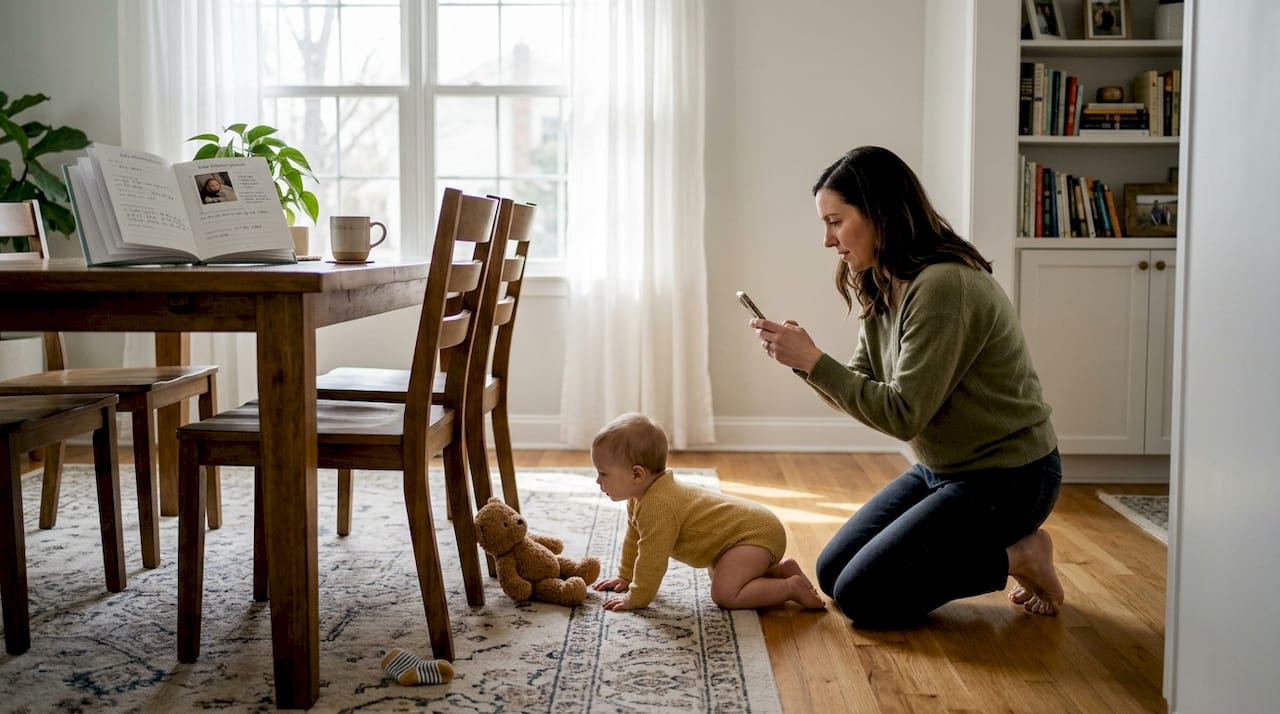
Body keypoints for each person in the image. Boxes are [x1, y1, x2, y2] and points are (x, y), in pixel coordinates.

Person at [747, 146, 1064, 628]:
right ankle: (1006, 549)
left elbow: (902, 414)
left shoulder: (943, 287)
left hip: (1009, 477)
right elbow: (863, 387)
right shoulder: (883, 280)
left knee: (864, 597)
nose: (828, 241)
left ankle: (1020, 554)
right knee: (832, 573)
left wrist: (814, 361)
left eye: (835, 221)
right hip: (943, 469)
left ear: (878, 213)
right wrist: (804, 362)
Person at [589, 412, 825, 611]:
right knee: (719, 573)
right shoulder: (639, 498)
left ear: (637, 474)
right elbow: (635, 539)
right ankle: (781, 571)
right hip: (744, 535)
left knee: (725, 594)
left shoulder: (658, 506)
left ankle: (790, 587)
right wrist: (625, 576)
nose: (598, 481)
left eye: (603, 474)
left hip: (755, 535)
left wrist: (636, 599)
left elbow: (652, 559)